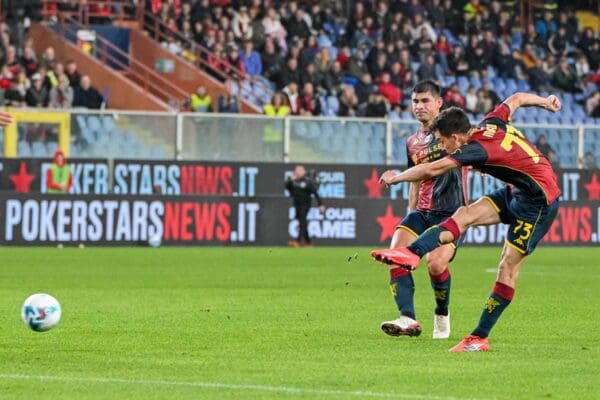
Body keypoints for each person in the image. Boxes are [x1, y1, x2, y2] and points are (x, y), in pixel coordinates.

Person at [372, 92, 562, 352]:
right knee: (464, 215)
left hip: (539, 204)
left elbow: (432, 169)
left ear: (455, 138)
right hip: (518, 191)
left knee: (507, 267)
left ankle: (479, 337)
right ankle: (412, 252)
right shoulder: (490, 123)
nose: (442, 146)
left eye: (443, 141)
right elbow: (516, 98)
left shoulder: (475, 149)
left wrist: (396, 178)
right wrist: (545, 102)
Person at [378, 80, 465, 340]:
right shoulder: (412, 142)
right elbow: (416, 181)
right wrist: (410, 214)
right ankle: (408, 318)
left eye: (425, 101)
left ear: (439, 103)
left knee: (435, 265)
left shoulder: (454, 133)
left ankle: (442, 313)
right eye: (415, 101)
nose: (419, 106)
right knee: (396, 255)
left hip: (451, 214)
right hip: (422, 212)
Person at [285, 165, 325, 248]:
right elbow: (287, 187)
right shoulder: (293, 181)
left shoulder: (307, 181)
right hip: (297, 205)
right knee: (302, 222)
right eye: (296, 170)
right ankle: (308, 242)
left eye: (299, 170)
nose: (297, 172)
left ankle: (298, 241)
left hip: (305, 205)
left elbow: (315, 193)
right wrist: (290, 181)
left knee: (302, 220)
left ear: (303, 172)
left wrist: (320, 205)